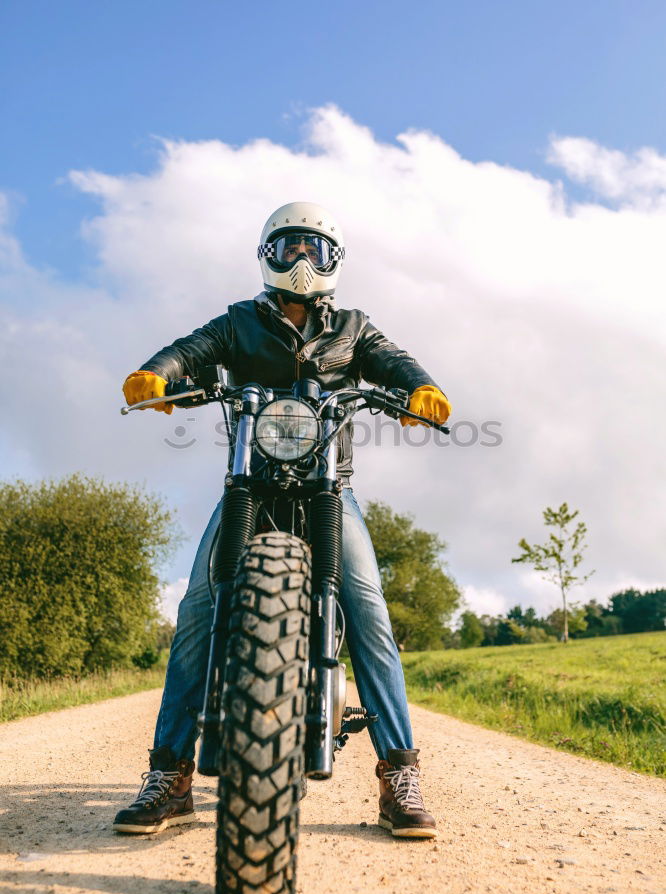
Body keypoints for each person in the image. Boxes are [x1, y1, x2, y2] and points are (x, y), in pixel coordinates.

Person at [114, 201, 451, 839]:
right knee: (198, 607)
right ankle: (170, 774)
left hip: (329, 485)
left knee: (368, 607)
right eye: (290, 248)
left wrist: (420, 389)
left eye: (314, 250)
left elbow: (395, 362)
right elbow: (192, 349)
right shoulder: (239, 322)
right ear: (269, 255)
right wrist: (156, 375)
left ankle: (399, 773)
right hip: (251, 482)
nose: (302, 262)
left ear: (333, 261)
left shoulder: (354, 327)